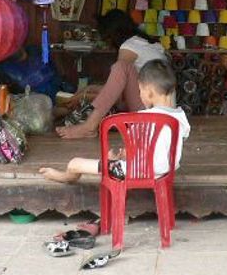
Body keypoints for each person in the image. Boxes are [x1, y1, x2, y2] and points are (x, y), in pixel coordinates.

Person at [41, 61, 190, 184]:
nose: (140, 95)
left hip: (134, 172)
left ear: (149, 92)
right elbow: (166, 145)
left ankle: (65, 177)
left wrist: (117, 158)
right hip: (165, 172)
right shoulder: (180, 117)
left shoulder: (143, 118)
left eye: (140, 90)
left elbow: (132, 152)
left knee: (75, 163)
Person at [56, 9, 168, 139]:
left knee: (120, 67)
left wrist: (83, 97)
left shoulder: (129, 46)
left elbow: (117, 97)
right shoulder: (149, 45)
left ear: (113, 34)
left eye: (105, 38)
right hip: (159, 112)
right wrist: (88, 90)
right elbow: (118, 89)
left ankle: (89, 126)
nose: (106, 44)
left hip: (149, 114)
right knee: (94, 95)